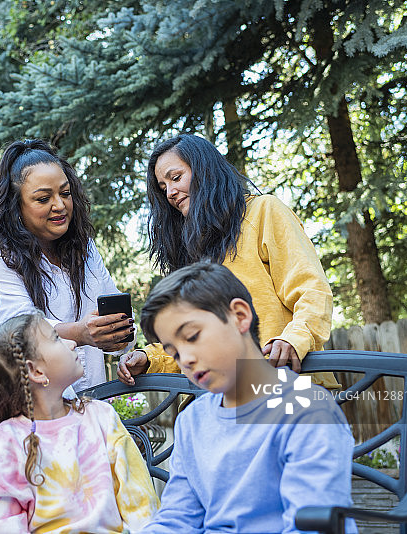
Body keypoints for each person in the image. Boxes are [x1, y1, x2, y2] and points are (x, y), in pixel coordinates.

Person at [138, 262, 356, 533]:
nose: (187, 360)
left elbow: (312, 526)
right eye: (175, 354)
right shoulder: (192, 420)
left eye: (192, 337)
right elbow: (178, 518)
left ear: (240, 316)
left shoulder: (307, 408)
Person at [118, 133, 338, 389]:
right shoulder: (191, 247)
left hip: (287, 386)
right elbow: (193, 335)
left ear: (205, 170)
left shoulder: (264, 211)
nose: (170, 192)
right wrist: (149, 358)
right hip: (220, 402)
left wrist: (294, 339)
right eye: (163, 187)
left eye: (176, 178)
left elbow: (312, 290)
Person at [0, 139, 140, 392]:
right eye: (43, 199)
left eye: (65, 193)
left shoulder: (85, 247)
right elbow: (18, 325)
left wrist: (123, 343)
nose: (60, 206)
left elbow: (113, 302)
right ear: (16, 207)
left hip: (93, 404)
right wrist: (79, 333)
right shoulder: (0, 253)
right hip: (38, 405)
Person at [0, 312, 159, 533]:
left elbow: (140, 501)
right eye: (55, 338)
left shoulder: (101, 417)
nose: (72, 343)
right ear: (36, 371)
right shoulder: (7, 441)